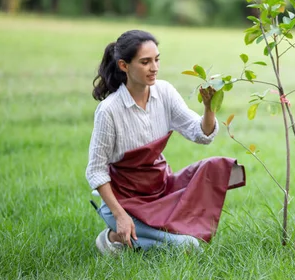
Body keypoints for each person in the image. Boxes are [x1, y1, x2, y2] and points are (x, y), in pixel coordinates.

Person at [86, 30, 245, 256]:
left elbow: (201, 134)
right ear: (124, 66)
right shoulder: (109, 111)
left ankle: (129, 242)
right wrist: (120, 216)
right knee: (190, 247)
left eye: (157, 59)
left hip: (160, 193)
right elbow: (95, 171)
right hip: (125, 203)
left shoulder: (165, 92)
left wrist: (209, 108)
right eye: (145, 62)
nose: (154, 68)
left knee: (215, 166)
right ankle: (112, 236)